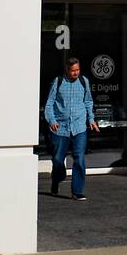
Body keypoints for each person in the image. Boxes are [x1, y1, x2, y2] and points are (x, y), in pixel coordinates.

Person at [43, 57, 99, 199]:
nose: (76, 73)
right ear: (67, 70)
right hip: (60, 127)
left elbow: (88, 102)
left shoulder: (83, 81)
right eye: (73, 70)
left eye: (78, 70)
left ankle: (77, 191)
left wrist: (91, 119)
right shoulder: (58, 82)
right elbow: (49, 103)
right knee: (57, 159)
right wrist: (52, 120)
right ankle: (56, 179)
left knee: (79, 158)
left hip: (79, 126)